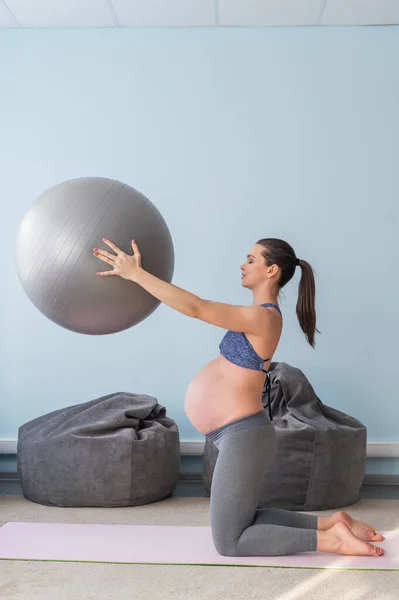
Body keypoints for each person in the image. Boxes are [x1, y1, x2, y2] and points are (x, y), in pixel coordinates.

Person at [93, 236, 384, 558]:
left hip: (243, 434)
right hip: (235, 433)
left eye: (251, 259)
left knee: (230, 541)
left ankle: (332, 542)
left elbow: (195, 308)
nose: (242, 265)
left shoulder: (264, 317)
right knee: (244, 519)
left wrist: (136, 274)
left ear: (272, 270)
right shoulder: (256, 314)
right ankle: (331, 525)